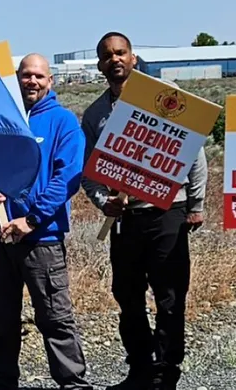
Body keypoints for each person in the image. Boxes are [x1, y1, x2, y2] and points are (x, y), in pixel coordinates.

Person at [79, 32, 208, 390]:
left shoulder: (164, 101)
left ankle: (166, 374)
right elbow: (89, 173)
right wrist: (105, 202)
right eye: (107, 55)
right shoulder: (94, 115)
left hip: (167, 211)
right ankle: (139, 369)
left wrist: (196, 205)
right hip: (125, 221)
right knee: (127, 295)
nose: (115, 60)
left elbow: (194, 155)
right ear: (100, 64)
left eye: (121, 53)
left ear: (133, 58)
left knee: (169, 296)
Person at [0, 54, 93, 390]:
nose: (32, 82)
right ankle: (1, 383)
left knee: (55, 320)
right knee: (3, 320)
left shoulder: (63, 123)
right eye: (25, 75)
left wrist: (32, 219)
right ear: (16, 78)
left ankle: (73, 385)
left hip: (41, 242)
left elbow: (67, 178)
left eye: (39, 76)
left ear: (50, 81)